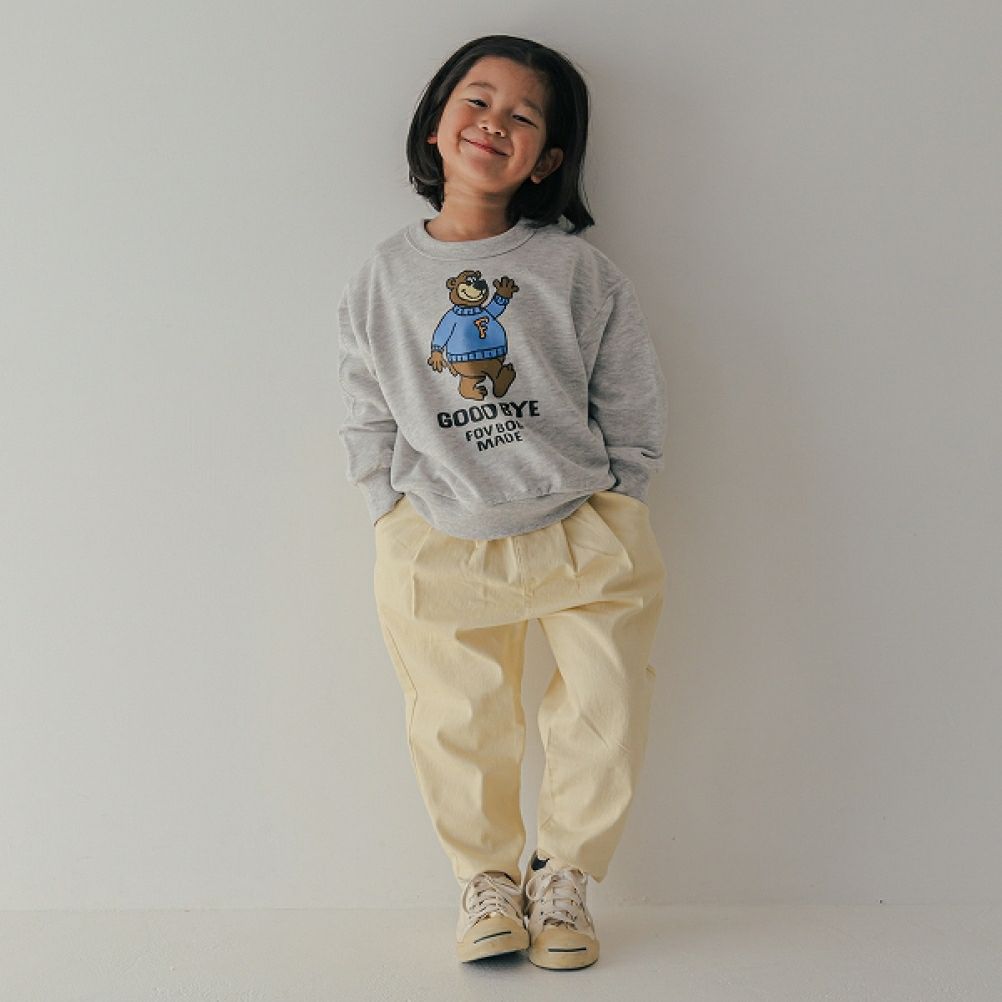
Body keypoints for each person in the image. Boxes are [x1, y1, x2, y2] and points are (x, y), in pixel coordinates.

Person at [336, 34, 668, 970]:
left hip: (583, 530)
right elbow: (364, 401)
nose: (494, 123)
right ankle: (485, 880)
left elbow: (628, 389)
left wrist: (624, 493)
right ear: (435, 125)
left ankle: (563, 879)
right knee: (458, 719)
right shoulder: (383, 277)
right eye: (476, 102)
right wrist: (385, 504)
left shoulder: (579, 271)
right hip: (437, 535)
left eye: (523, 116)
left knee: (605, 708)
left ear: (548, 160)